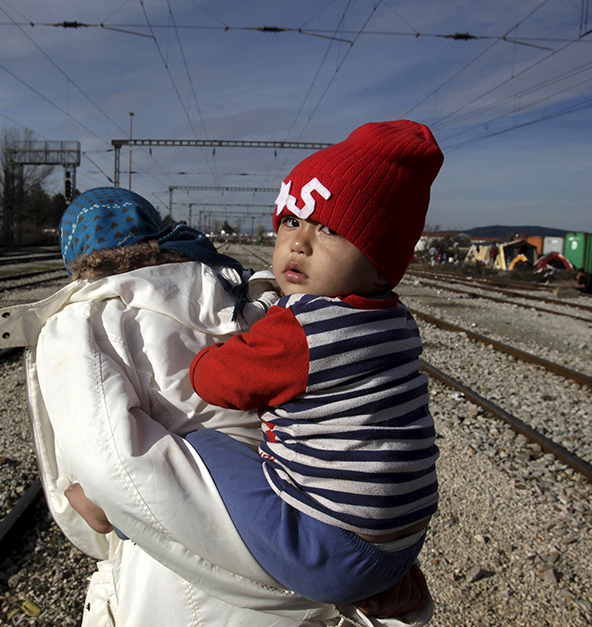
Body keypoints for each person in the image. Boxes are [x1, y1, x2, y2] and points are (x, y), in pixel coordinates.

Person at [0, 187, 433, 627]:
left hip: (197, 590)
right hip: (313, 551)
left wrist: (104, 504)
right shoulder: (262, 295)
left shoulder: (85, 322)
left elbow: (114, 477)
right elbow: (348, 445)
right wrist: (379, 567)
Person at [186, 121, 443, 607]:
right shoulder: (395, 318)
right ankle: (376, 586)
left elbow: (213, 381)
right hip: (402, 547)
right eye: (291, 221)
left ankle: (115, 510)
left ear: (379, 262)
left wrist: (215, 347)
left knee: (196, 448)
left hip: (327, 551)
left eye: (328, 230)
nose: (299, 243)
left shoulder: (301, 328)